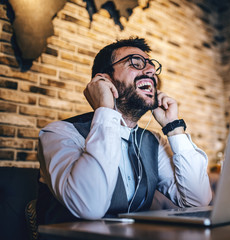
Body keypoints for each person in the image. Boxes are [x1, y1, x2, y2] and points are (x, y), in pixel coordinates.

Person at [36, 37, 212, 225]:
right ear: (104, 79)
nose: (151, 70)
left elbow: (197, 201)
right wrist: (104, 108)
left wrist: (173, 128)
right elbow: (89, 206)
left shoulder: (153, 142)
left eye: (152, 66)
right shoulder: (59, 133)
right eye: (136, 63)